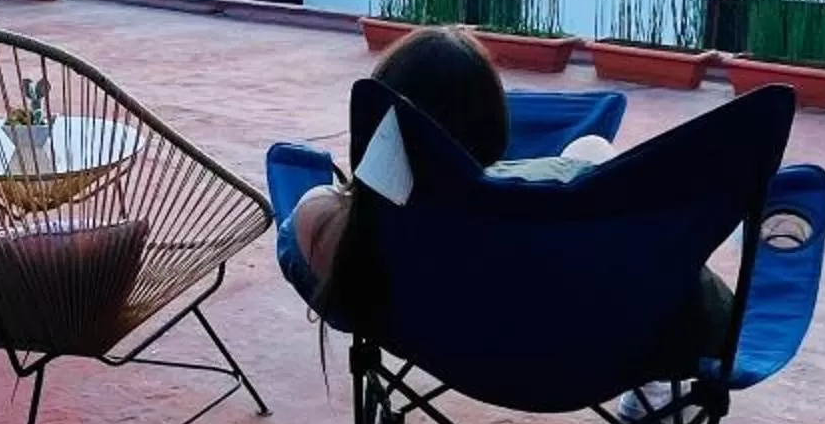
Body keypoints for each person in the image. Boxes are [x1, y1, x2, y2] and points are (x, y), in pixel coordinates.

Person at [289, 27, 735, 377]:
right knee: (593, 150)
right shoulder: (552, 193)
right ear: (496, 124)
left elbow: (329, 265)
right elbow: (713, 316)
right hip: (591, 351)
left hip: (443, 343)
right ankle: (649, 398)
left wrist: (362, 188)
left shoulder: (346, 222)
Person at [289, 26, 615, 294]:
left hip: (429, 323)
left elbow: (325, 211)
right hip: (529, 305)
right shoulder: (519, 210)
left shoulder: (337, 224)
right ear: (494, 126)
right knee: (592, 147)